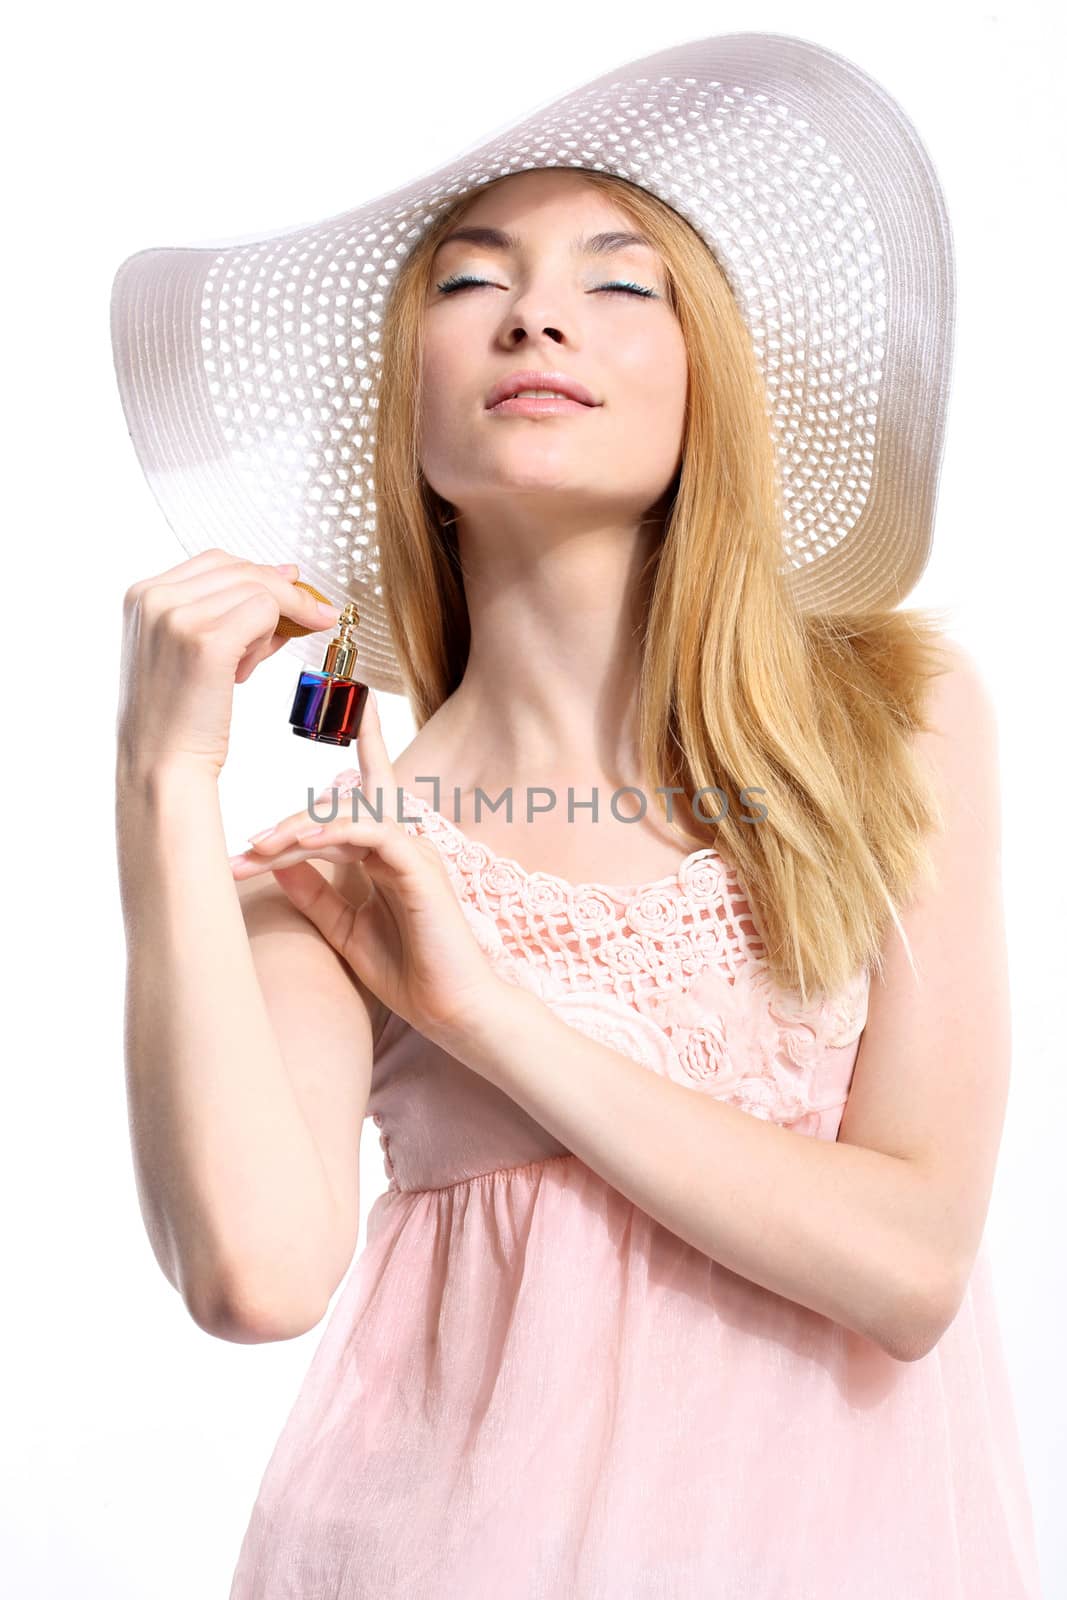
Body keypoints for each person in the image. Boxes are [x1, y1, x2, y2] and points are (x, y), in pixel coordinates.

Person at [111, 34, 1044, 1600]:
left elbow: (912, 1264)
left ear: (711, 383)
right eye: (472, 285)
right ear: (402, 403)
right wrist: (161, 784)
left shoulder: (897, 722)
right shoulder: (345, 868)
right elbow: (254, 1278)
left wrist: (482, 1013)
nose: (538, 312)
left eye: (622, 283)